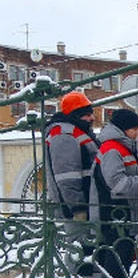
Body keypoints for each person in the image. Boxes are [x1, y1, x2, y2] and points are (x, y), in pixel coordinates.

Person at [90, 109, 138, 232]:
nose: (137, 134)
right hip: (112, 216)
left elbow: (131, 173)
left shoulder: (124, 147)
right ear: (123, 129)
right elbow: (117, 183)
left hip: (123, 214)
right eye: (134, 129)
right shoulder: (112, 149)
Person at [44, 90, 99, 221]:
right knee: (78, 241)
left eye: (91, 113)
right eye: (86, 115)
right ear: (75, 115)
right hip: (77, 211)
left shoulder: (76, 132)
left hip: (88, 204)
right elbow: (67, 177)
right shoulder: (64, 135)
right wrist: (77, 208)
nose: (92, 118)